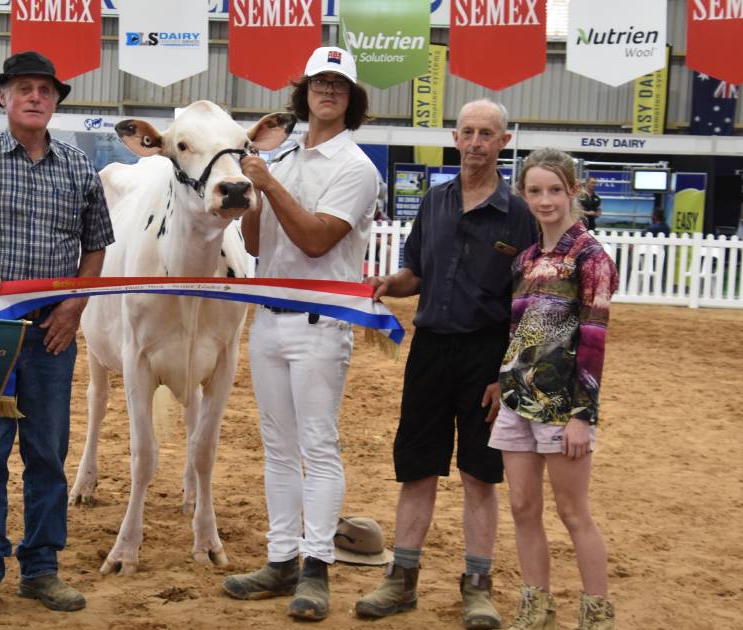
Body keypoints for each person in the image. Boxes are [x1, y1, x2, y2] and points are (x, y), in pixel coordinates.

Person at [0, 50, 113, 620]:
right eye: (24, 88)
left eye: (45, 88)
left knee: (48, 452)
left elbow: (96, 247)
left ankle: (41, 567)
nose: (35, 96)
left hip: (53, 334)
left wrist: (74, 305)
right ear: (3, 98)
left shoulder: (77, 166)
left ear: (56, 100)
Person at [357, 99, 537, 629]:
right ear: (455, 138)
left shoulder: (520, 216)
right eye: (468, 132)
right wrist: (394, 284)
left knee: (480, 475)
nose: (476, 142)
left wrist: (507, 376)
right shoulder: (435, 202)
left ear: (503, 143)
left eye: (488, 134)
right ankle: (402, 579)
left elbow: (530, 303)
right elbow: (417, 272)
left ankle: (477, 586)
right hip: (430, 350)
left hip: (488, 358)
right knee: (417, 468)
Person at [220, 46, 379, 621]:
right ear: (305, 91)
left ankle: (317, 567)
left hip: (320, 324)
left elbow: (315, 240)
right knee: (279, 448)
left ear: (352, 98)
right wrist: (253, 190)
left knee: (317, 445)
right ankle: (282, 556)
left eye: (339, 85)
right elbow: (260, 245)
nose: (328, 92)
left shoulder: (356, 168)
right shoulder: (281, 156)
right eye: (319, 82)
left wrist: (268, 181)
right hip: (269, 318)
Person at [490, 148, 618, 630]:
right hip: (517, 401)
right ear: (523, 196)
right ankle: (535, 605)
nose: (546, 200)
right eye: (535, 191)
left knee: (572, 512)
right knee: (523, 507)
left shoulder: (591, 257)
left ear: (574, 192)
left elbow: (594, 339)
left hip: (564, 407)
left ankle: (596, 613)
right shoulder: (525, 259)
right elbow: (517, 335)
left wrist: (584, 415)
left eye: (555, 190)